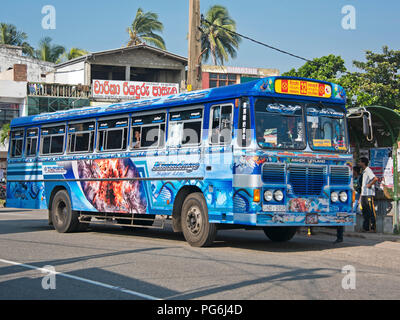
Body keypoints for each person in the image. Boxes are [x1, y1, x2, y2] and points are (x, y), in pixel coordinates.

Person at [358, 157, 379, 232]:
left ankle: (373, 228)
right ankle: (366, 228)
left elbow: (375, 178)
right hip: (364, 194)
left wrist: (370, 184)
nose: (359, 163)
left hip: (369, 194)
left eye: (360, 162)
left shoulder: (368, 170)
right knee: (365, 211)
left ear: (363, 163)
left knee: (371, 211)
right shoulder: (364, 171)